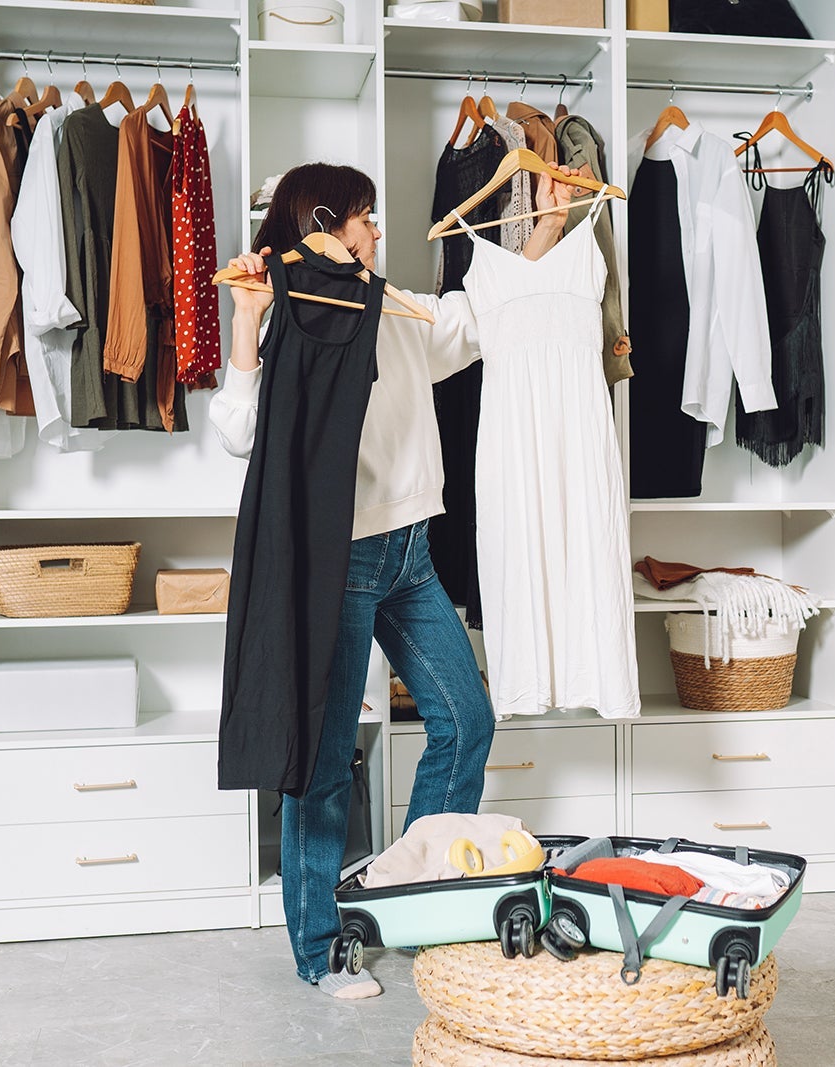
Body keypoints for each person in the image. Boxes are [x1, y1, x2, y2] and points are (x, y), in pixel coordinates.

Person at [210, 160, 588, 999]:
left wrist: (549, 228)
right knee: (323, 754)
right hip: (338, 559)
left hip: (410, 552)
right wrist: (247, 322)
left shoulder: (404, 310)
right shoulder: (294, 313)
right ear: (323, 222)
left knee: (464, 719)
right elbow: (238, 433)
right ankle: (319, 947)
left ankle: (412, 899)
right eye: (366, 216)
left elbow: (490, 314)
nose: (378, 230)